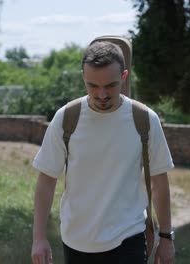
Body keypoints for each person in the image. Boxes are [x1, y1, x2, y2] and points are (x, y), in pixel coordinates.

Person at [31, 41, 176, 264]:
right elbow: (47, 180)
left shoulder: (145, 120)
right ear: (83, 77)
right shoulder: (66, 119)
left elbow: (159, 182)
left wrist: (166, 237)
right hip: (77, 241)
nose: (101, 94)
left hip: (128, 238)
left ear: (124, 77)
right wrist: (39, 237)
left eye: (110, 85)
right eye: (93, 86)